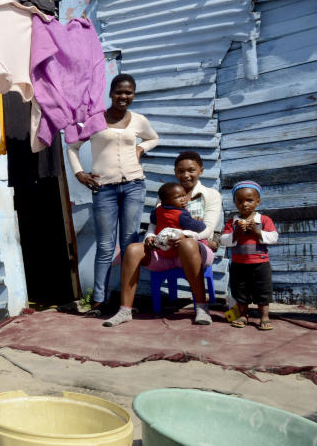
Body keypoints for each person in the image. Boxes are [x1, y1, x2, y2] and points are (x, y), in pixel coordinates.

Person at [67, 73, 159, 316]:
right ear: (111, 94)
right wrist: (79, 174)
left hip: (134, 185)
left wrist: (141, 147)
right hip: (104, 189)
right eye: (119, 92)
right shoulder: (95, 119)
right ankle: (98, 301)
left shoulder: (139, 120)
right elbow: (73, 147)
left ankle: (125, 304)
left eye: (129, 93)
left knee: (130, 245)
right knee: (106, 246)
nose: (124, 96)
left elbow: (154, 138)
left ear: (133, 95)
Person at [103, 151, 223, 327]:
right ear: (175, 172)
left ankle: (202, 307)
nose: (186, 175)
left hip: (196, 251)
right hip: (165, 253)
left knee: (188, 244)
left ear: (201, 171)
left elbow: (208, 229)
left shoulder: (211, 195)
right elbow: (155, 223)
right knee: (133, 249)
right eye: (181, 171)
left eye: (191, 170)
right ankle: (125, 310)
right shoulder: (167, 193)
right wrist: (150, 237)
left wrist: (187, 235)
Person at [221, 180, 278, 331]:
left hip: (260, 264)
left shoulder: (263, 220)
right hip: (239, 264)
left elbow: (273, 237)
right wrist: (236, 233)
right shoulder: (233, 222)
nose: (244, 204)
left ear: (258, 202)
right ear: (234, 202)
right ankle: (243, 315)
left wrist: (258, 232)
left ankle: (264, 317)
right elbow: (224, 240)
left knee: (262, 291)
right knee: (240, 291)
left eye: (249, 200)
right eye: (240, 201)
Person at [151, 182, 207, 253]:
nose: (183, 199)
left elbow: (153, 220)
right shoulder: (181, 215)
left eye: (184, 195)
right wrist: (201, 223)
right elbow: (198, 228)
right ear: (165, 201)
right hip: (176, 248)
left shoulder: (157, 210)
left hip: (160, 247)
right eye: (178, 197)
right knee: (203, 242)